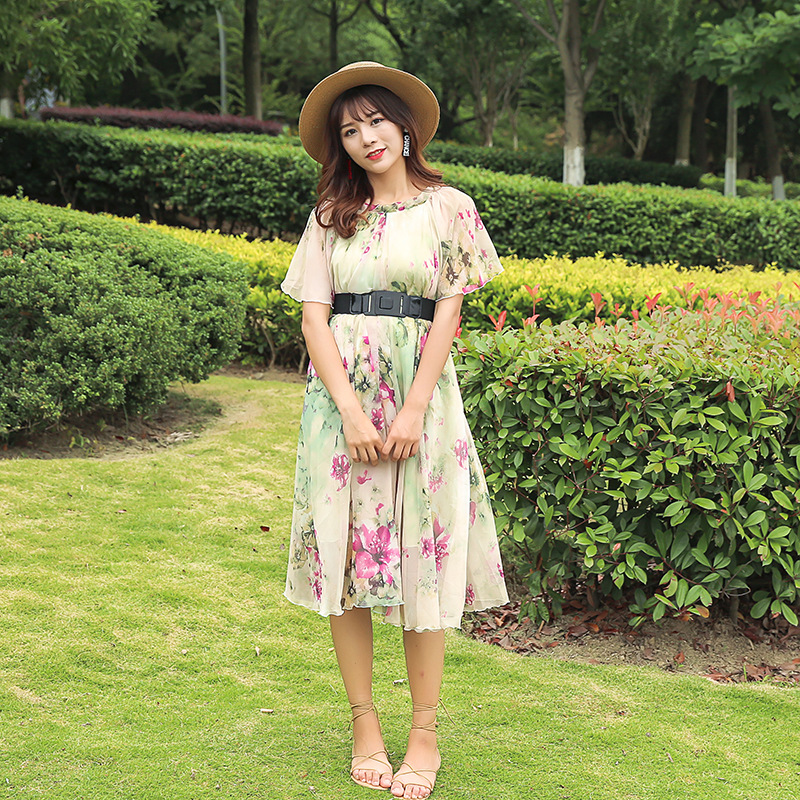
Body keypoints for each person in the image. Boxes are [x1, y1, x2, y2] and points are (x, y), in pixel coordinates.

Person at [280, 61, 509, 799]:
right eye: (350, 130)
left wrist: (411, 409)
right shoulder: (329, 216)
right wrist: (350, 412)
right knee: (346, 562)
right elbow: (313, 318)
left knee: (420, 563)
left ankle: (424, 735)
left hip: (423, 405)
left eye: (376, 121)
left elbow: (449, 311)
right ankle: (365, 725)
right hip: (337, 411)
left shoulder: (449, 208)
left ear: (405, 127)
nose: (366, 137)